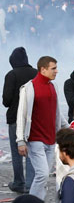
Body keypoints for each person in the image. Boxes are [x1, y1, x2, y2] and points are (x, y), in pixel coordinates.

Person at [16, 56, 68, 201]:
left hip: (51, 140)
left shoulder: (53, 86)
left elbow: (57, 112)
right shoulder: (29, 88)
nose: (56, 71)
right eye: (53, 68)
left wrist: (68, 128)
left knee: (44, 178)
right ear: (43, 69)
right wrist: (20, 140)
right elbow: (21, 115)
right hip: (35, 139)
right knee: (42, 174)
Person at [2, 47, 37, 193]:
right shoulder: (36, 73)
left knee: (17, 151)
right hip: (33, 118)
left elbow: (7, 100)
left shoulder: (11, 74)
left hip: (15, 118)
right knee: (31, 151)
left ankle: (18, 182)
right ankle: (30, 184)